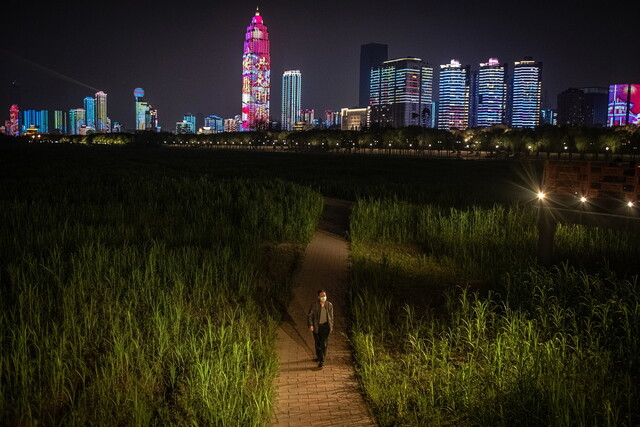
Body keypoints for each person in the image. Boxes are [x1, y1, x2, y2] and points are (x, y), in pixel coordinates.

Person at [307, 289, 334, 368]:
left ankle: (322, 361)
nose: (323, 297)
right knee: (318, 343)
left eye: (324, 295)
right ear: (318, 297)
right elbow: (310, 316)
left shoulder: (329, 305)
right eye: (321, 296)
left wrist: (331, 326)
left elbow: (331, 317)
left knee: (324, 344)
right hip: (317, 326)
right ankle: (319, 357)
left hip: (326, 327)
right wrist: (311, 325)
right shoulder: (314, 305)